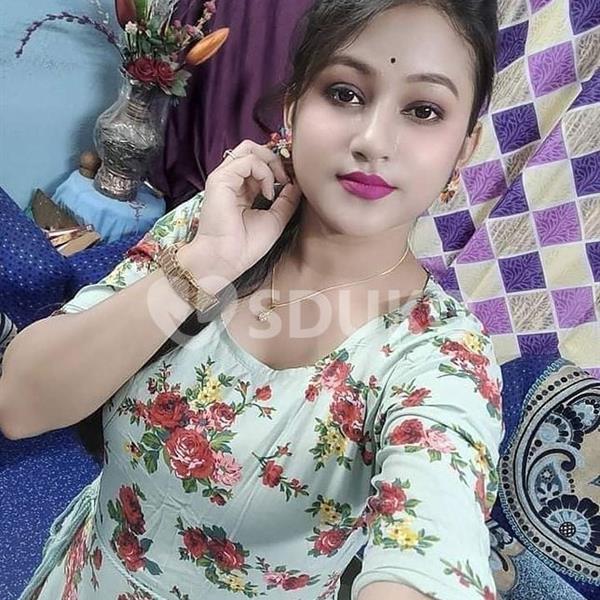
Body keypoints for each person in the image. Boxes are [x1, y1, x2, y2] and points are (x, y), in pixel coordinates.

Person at [0, 1, 503, 598]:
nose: (372, 140)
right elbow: (21, 405)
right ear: (293, 110)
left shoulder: (441, 360)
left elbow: (435, 544)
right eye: (344, 93)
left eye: (424, 110)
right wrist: (205, 267)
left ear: (463, 149)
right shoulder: (212, 226)